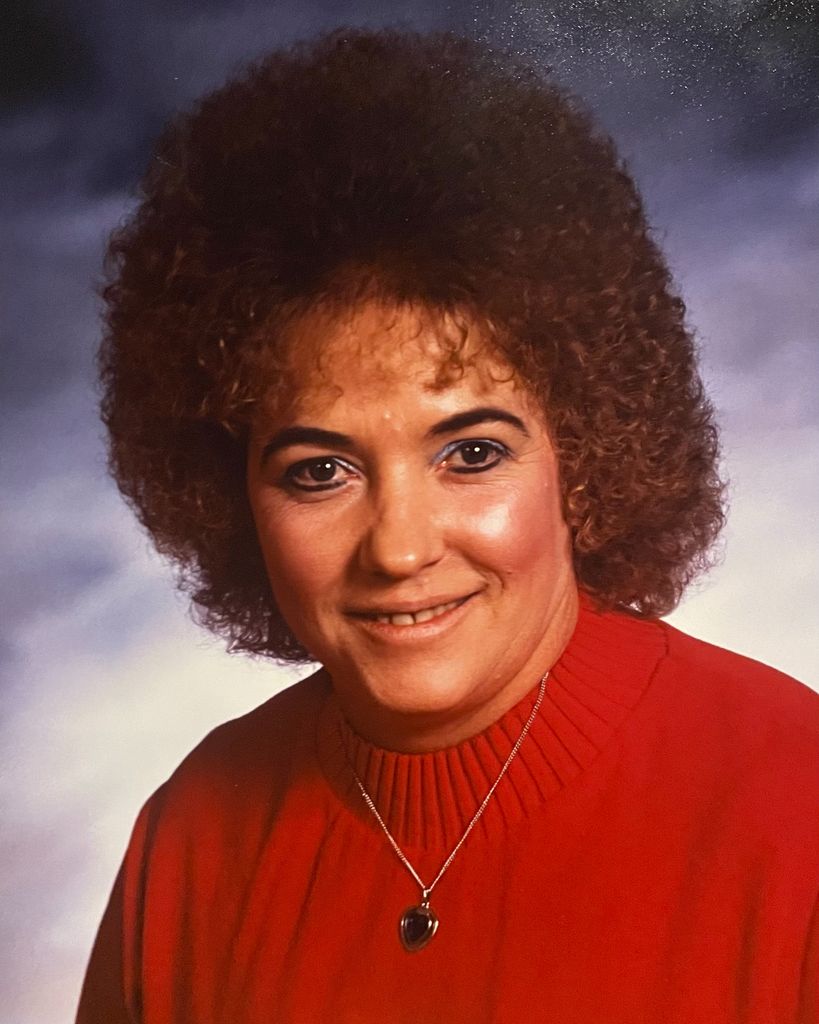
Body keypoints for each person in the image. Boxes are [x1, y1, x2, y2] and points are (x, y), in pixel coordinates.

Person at [77, 28, 818, 1023]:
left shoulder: (795, 803)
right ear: (228, 495)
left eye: (470, 454)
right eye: (320, 471)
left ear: (586, 449)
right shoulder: (195, 838)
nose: (400, 547)